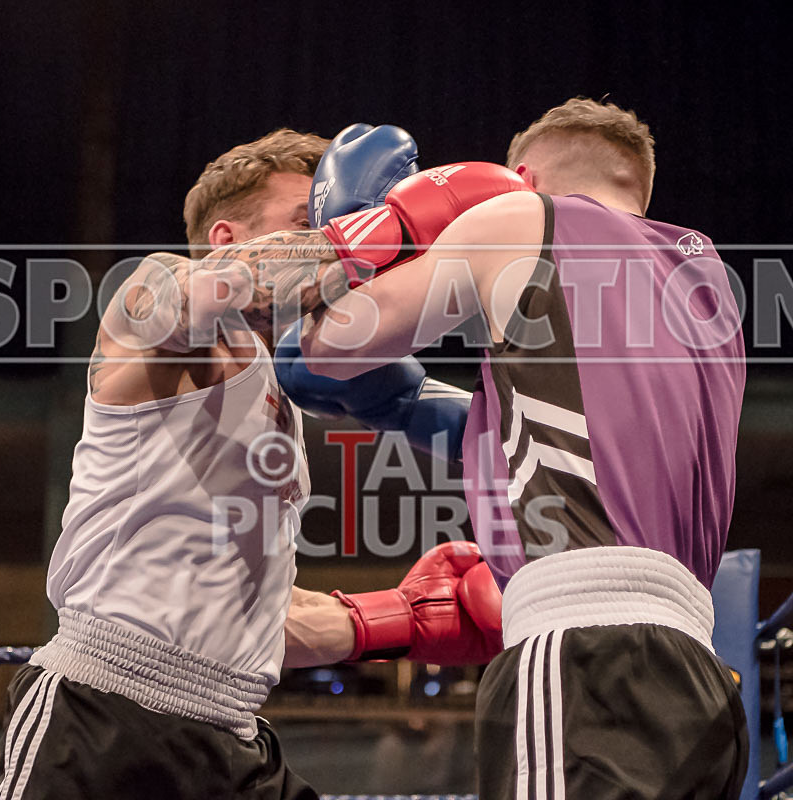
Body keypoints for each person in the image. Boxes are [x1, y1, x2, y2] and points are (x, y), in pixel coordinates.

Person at [0, 128, 504, 800]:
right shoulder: (154, 296)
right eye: (305, 222)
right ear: (226, 239)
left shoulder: (281, 397)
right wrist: (378, 233)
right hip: (100, 717)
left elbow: (245, 625)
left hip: (232, 733)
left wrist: (399, 618)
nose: (326, 233)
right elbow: (202, 296)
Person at [295, 98, 749, 799]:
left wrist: (359, 226)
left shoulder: (519, 217)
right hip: (700, 679)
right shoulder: (708, 279)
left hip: (584, 657)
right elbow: (596, 424)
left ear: (523, 178)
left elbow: (326, 350)